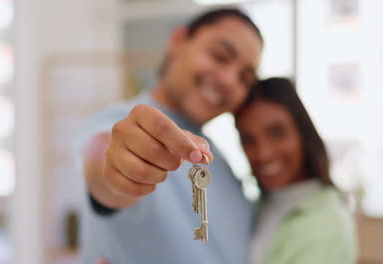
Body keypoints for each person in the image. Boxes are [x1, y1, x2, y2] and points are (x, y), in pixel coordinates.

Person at [76, 8, 263, 264]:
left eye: (245, 78)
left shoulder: (217, 156)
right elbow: (105, 160)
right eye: (220, 56)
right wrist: (118, 167)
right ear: (178, 42)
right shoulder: (118, 122)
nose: (230, 81)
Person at [235, 78, 358, 264]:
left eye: (277, 133)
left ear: (303, 133)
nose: (263, 154)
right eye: (248, 140)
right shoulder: (260, 205)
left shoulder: (327, 224)